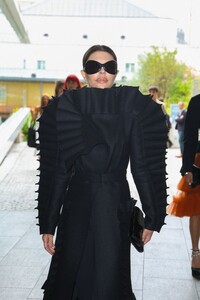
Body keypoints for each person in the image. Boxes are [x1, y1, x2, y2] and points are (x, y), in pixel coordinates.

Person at [37, 45, 168, 300]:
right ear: (83, 73)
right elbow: (59, 171)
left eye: (108, 67)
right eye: (94, 67)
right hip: (76, 204)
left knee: (110, 277)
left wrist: (153, 215)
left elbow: (140, 167)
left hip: (114, 204)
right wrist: (48, 222)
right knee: (70, 274)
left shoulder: (131, 108)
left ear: (117, 72)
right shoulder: (67, 107)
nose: (102, 72)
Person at [167, 94, 200, 279]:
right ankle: (196, 254)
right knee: (197, 210)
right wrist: (187, 168)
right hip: (199, 163)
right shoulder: (197, 102)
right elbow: (189, 136)